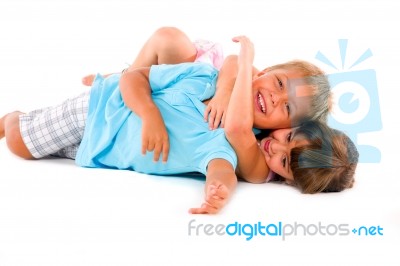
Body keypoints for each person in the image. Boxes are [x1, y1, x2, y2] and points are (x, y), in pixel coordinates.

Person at [0, 37, 358, 214]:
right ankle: (11, 119)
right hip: (100, 109)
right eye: (278, 85)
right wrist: (151, 116)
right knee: (19, 142)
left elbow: (222, 167)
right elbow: (133, 80)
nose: (274, 101)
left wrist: (218, 190)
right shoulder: (205, 76)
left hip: (102, 151)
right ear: (263, 71)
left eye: (287, 111)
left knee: (48, 150)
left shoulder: (236, 143)